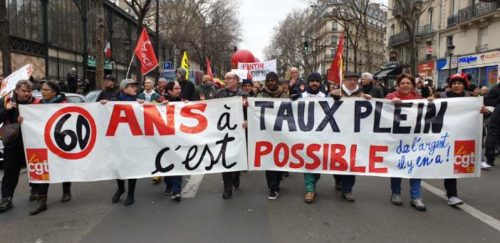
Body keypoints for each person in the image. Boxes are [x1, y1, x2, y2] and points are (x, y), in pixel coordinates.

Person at [30, 81, 72, 215]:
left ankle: (66, 191)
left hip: (60, 141)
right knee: (44, 169)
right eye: (42, 89)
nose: (42, 92)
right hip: (43, 142)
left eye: (46, 90)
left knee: (63, 166)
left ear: (54, 92)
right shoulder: (38, 104)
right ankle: (42, 201)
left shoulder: (64, 104)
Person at [385, 74, 426, 212]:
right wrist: (390, 102)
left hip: (415, 139)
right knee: (397, 167)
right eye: (402, 83)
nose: (405, 85)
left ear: (413, 85)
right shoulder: (391, 96)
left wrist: (431, 102)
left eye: (408, 83)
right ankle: (395, 193)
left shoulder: (419, 99)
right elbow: (381, 107)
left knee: (415, 167)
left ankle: (416, 197)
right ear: (398, 85)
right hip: (396, 139)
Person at [329, 73, 372, 203]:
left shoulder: (362, 95)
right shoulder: (334, 93)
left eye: (354, 80)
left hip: (354, 135)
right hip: (336, 133)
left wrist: (370, 100)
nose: (352, 82)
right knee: (337, 160)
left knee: (351, 162)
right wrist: (331, 98)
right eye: (349, 80)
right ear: (344, 81)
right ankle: (338, 179)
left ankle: (348, 190)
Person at [0, 80, 39, 213]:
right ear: (16, 90)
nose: (27, 94)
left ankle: (35, 190)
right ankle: (6, 199)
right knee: (10, 172)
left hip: (32, 143)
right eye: (24, 91)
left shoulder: (36, 103)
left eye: (29, 91)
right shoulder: (6, 101)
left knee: (34, 168)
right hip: (13, 144)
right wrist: (6, 111)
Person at [105, 79, 140, 206]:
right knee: (118, 165)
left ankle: (131, 194)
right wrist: (103, 104)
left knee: (131, 166)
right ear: (124, 88)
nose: (135, 89)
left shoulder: (138, 101)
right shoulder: (113, 100)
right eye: (131, 86)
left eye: (135, 87)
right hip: (118, 140)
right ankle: (121, 189)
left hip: (133, 140)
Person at [257, 72, 289, 200]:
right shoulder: (259, 95)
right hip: (266, 134)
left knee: (280, 159)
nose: (270, 83)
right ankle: (273, 188)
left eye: (273, 80)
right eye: (268, 81)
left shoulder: (286, 95)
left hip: (282, 133)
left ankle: (278, 178)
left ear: (277, 81)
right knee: (269, 161)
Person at [215, 71, 246, 199]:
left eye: (228, 78)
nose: (226, 80)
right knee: (226, 158)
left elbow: (253, 111)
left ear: (236, 80)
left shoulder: (244, 95)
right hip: (224, 131)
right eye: (225, 78)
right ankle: (227, 188)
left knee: (236, 156)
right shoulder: (219, 94)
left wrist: (247, 118)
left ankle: (236, 175)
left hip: (239, 132)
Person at [298, 72, 327, 203]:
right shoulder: (301, 97)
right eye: (312, 81)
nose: (314, 83)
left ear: (320, 83)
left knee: (318, 162)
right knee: (309, 162)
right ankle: (310, 189)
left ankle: (313, 182)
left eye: (317, 81)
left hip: (321, 136)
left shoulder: (326, 97)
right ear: (308, 83)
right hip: (306, 136)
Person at [162, 81, 183, 201]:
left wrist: (187, 105)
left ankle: (176, 190)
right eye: (176, 88)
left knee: (177, 163)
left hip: (178, 138)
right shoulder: (161, 101)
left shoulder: (182, 102)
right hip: (164, 139)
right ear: (169, 91)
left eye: (179, 88)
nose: (179, 90)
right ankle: (169, 184)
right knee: (166, 162)